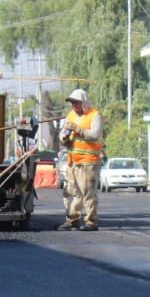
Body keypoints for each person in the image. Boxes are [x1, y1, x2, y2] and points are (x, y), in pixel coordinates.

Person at [58, 88, 104, 231]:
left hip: (88, 161)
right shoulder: (71, 115)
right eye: (72, 103)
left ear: (83, 102)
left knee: (88, 192)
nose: (73, 106)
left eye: (76, 103)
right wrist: (64, 138)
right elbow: (63, 132)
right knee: (73, 192)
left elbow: (95, 134)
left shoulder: (94, 115)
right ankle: (73, 219)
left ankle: (91, 221)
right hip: (73, 161)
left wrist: (78, 129)